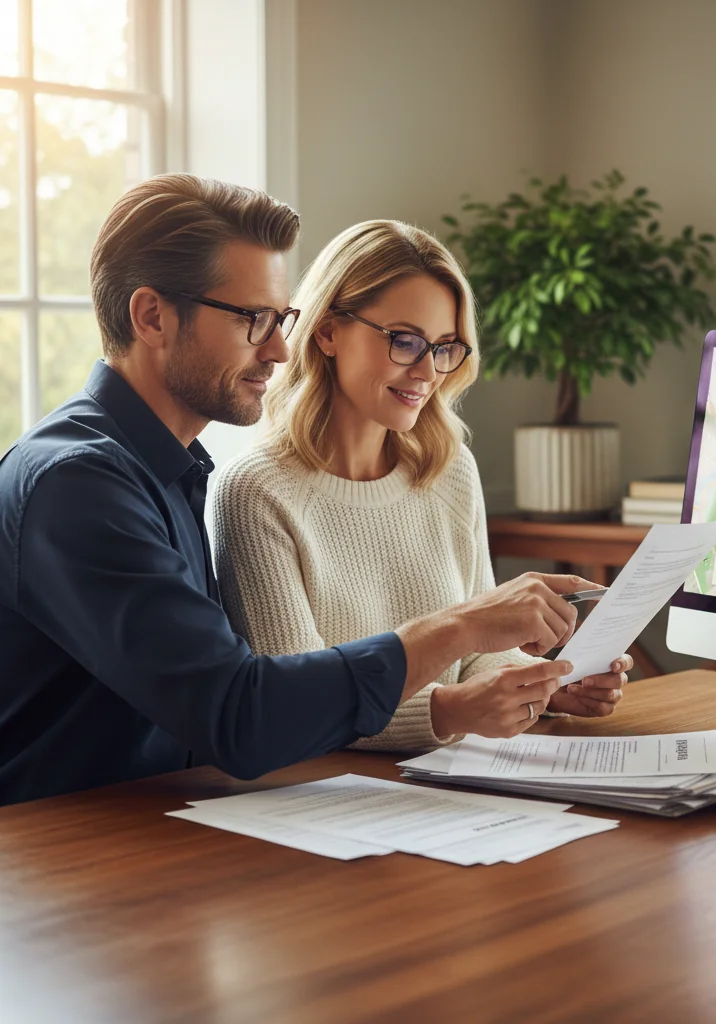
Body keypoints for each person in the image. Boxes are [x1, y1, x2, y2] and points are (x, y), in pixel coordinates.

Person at [0, 175, 607, 806]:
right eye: (253, 319)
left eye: (281, 318)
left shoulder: (167, 469)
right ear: (152, 316)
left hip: (164, 832)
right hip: (59, 861)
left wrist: (530, 679)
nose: (281, 348)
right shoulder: (77, 484)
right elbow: (242, 718)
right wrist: (457, 629)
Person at [213, 220, 630, 752]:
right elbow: (295, 705)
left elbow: (479, 655)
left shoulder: (449, 470)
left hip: (456, 784)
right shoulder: (256, 491)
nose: (428, 372)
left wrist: (546, 685)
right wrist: (448, 710)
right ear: (327, 330)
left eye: (445, 347)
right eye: (405, 341)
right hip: (332, 798)